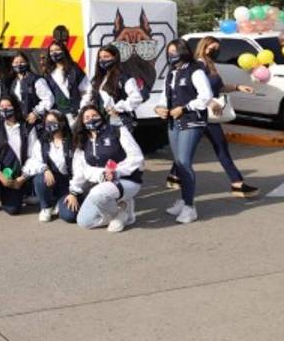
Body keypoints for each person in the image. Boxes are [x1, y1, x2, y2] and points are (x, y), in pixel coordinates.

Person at [165, 36, 258, 197]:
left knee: (192, 150)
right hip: (201, 113)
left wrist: (237, 87)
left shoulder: (210, 65)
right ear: (204, 47)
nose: (215, 52)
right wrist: (210, 102)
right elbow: (197, 91)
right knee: (219, 146)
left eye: (217, 49)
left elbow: (217, 87)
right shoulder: (198, 65)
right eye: (212, 49)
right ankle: (236, 183)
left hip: (206, 114)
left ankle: (174, 176)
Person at [155, 39, 213, 224]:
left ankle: (189, 207)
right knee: (178, 163)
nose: (171, 55)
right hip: (174, 121)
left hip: (192, 121)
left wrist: (185, 108)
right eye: (169, 52)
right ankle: (183, 199)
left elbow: (206, 96)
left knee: (184, 162)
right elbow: (164, 97)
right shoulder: (171, 72)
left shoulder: (195, 71)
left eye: (174, 52)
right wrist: (160, 108)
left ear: (184, 52)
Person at [65, 104, 144, 232]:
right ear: (82, 122)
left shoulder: (117, 131)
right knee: (84, 222)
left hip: (126, 180)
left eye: (94, 115)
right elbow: (81, 170)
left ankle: (124, 212)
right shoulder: (82, 140)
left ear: (101, 116)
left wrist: (117, 172)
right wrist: (74, 191)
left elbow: (137, 157)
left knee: (97, 193)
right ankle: (117, 213)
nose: (91, 119)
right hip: (101, 183)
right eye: (87, 118)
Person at [0, 95, 37, 215]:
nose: (4, 109)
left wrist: (22, 178)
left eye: (8, 106)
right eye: (1, 106)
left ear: (15, 107)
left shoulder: (28, 127)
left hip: (16, 173)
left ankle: (20, 194)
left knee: (13, 210)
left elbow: (34, 155)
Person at [23, 110, 74, 222]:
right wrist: (45, 169)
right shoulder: (41, 142)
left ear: (62, 123)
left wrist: (74, 192)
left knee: (69, 216)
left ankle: (59, 202)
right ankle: (46, 207)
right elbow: (32, 162)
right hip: (49, 180)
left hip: (67, 184)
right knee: (40, 179)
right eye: (47, 122)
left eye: (53, 121)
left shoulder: (72, 142)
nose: (49, 124)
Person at [83, 44, 144, 129]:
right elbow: (88, 98)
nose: (102, 60)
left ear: (115, 58)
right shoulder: (98, 79)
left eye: (106, 57)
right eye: (100, 57)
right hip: (102, 122)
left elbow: (136, 98)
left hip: (120, 121)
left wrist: (118, 108)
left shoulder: (124, 77)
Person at [42, 40, 89, 125]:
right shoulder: (47, 73)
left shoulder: (74, 68)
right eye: (51, 51)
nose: (54, 53)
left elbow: (86, 90)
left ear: (64, 51)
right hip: (58, 117)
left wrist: (82, 109)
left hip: (76, 114)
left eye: (57, 50)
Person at [9, 51, 53, 131]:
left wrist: (36, 113)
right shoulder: (13, 83)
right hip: (20, 124)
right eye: (16, 62)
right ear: (12, 64)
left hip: (37, 124)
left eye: (22, 62)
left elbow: (48, 99)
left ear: (27, 63)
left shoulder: (36, 80)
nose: (19, 64)